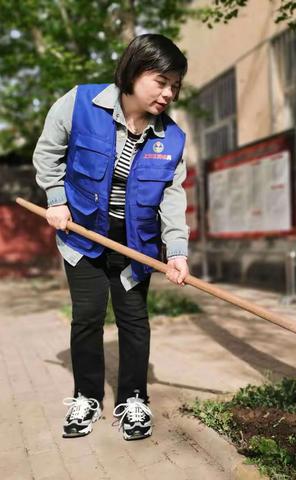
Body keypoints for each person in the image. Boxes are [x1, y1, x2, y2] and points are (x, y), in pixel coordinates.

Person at [32, 34, 190, 441]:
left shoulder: (171, 139)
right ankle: (86, 396)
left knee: (134, 320)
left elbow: (172, 197)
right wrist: (56, 199)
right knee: (87, 316)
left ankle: (134, 399)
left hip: (134, 242)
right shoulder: (80, 103)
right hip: (81, 235)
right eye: (161, 81)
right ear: (134, 72)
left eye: (175, 85)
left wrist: (176, 251)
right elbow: (48, 152)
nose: (169, 93)